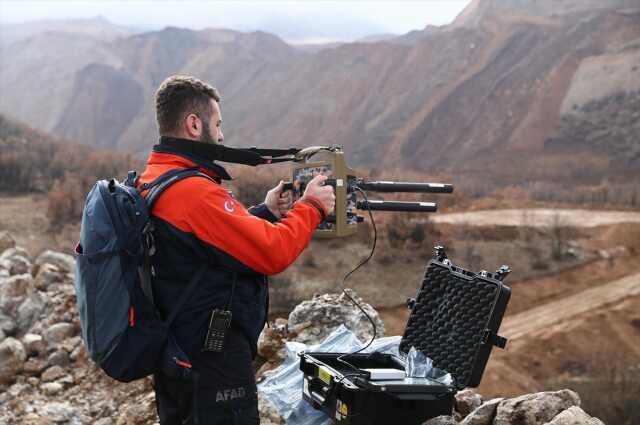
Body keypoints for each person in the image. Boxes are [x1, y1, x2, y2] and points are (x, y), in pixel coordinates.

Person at [137, 75, 335, 424]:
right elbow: (274, 252)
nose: (222, 135)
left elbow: (200, 245)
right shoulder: (193, 192)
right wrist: (312, 207)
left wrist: (264, 212)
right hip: (212, 360)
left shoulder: (155, 177)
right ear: (194, 124)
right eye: (217, 124)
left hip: (177, 352)